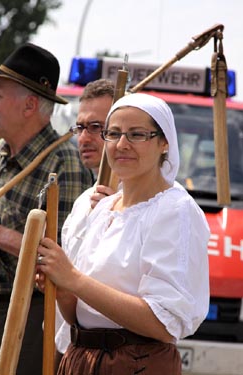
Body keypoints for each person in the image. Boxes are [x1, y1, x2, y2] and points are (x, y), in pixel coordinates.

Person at [37, 93, 210, 375]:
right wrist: (61, 288)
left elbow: (162, 323)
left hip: (135, 364)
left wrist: (74, 279)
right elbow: (78, 316)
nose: (121, 145)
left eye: (137, 134)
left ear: (164, 142)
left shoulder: (174, 210)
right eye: (113, 134)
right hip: (82, 359)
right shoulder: (102, 207)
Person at [0, 42, 93, 375]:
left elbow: (66, 260)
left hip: (30, 313)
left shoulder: (65, 163)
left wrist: (0, 235)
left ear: (30, 105)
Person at [54, 78, 115, 368]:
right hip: (72, 351)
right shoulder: (82, 204)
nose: (83, 138)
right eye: (80, 127)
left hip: (119, 359)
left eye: (96, 128)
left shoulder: (155, 202)